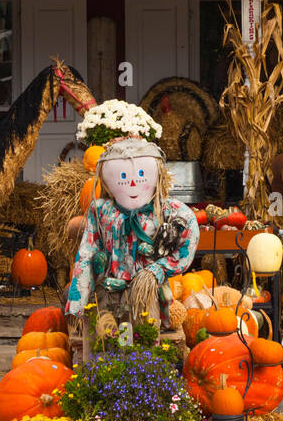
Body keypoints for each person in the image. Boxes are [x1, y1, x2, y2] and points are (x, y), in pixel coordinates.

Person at [65, 138, 199, 358]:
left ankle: (140, 386)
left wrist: (159, 269)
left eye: (141, 177)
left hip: (145, 295)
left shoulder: (166, 210)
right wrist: (79, 299)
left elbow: (189, 235)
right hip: (107, 294)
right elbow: (87, 251)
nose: (133, 184)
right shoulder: (101, 211)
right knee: (106, 346)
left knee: (144, 343)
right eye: (124, 178)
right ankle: (104, 386)